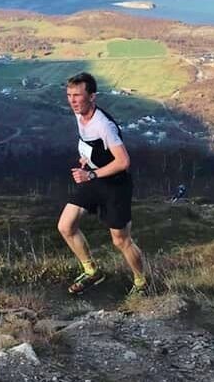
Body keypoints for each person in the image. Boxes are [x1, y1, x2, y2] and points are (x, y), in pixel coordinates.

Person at [58, 72, 147, 296]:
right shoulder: (80, 115)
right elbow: (90, 143)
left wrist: (91, 175)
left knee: (120, 240)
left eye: (78, 95)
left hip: (115, 185)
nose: (73, 100)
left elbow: (123, 162)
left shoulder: (104, 125)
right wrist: (87, 158)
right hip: (95, 177)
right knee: (66, 226)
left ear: (92, 97)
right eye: (69, 95)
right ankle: (91, 271)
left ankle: (141, 282)